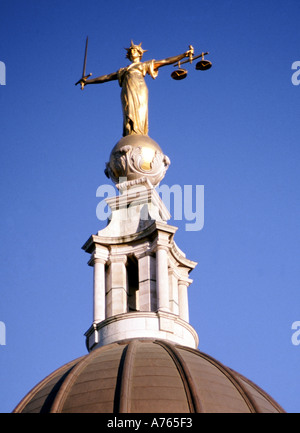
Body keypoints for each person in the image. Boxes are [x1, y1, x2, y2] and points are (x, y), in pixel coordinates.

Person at [78, 41, 194, 136]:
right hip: (127, 90)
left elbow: (165, 61)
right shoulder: (123, 70)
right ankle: (130, 132)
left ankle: (140, 133)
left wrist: (184, 55)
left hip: (139, 88)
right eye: (131, 51)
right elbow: (107, 77)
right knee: (128, 111)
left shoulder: (143, 65)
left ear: (139, 53)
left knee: (139, 110)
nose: (132, 52)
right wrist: (88, 82)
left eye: (135, 50)